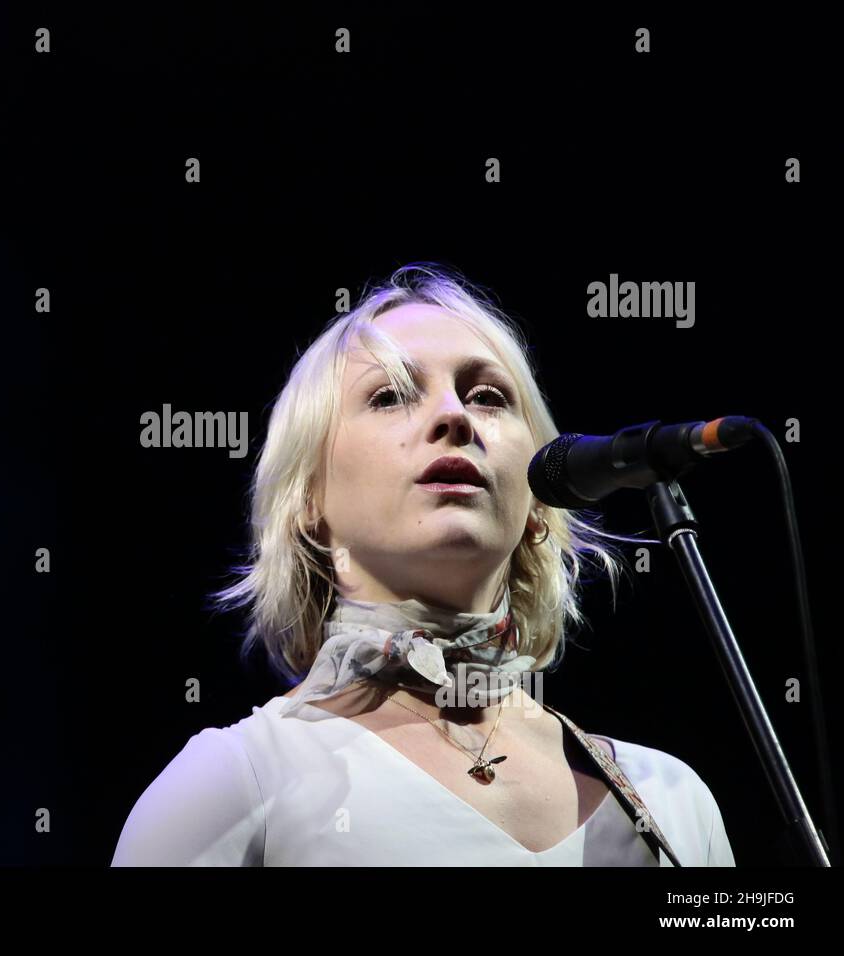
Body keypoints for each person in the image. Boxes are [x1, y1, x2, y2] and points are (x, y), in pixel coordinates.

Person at [111, 263, 736, 866]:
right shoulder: (234, 784)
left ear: (540, 501)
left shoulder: (671, 800)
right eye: (390, 395)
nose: (454, 416)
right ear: (308, 499)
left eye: (487, 396)